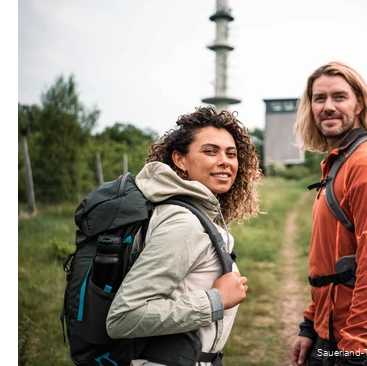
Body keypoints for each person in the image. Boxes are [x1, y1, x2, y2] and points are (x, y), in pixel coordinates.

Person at [106, 105, 264, 365]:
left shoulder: (192, 213)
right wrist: (216, 300)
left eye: (231, 153)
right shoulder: (184, 223)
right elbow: (124, 317)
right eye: (210, 151)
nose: (224, 160)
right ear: (180, 160)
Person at [290, 61, 367, 366]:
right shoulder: (339, 161)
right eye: (319, 98)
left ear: (359, 103)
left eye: (339, 97)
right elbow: (328, 256)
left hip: (355, 343)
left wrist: (355, 348)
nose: (328, 107)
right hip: (328, 332)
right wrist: (310, 326)